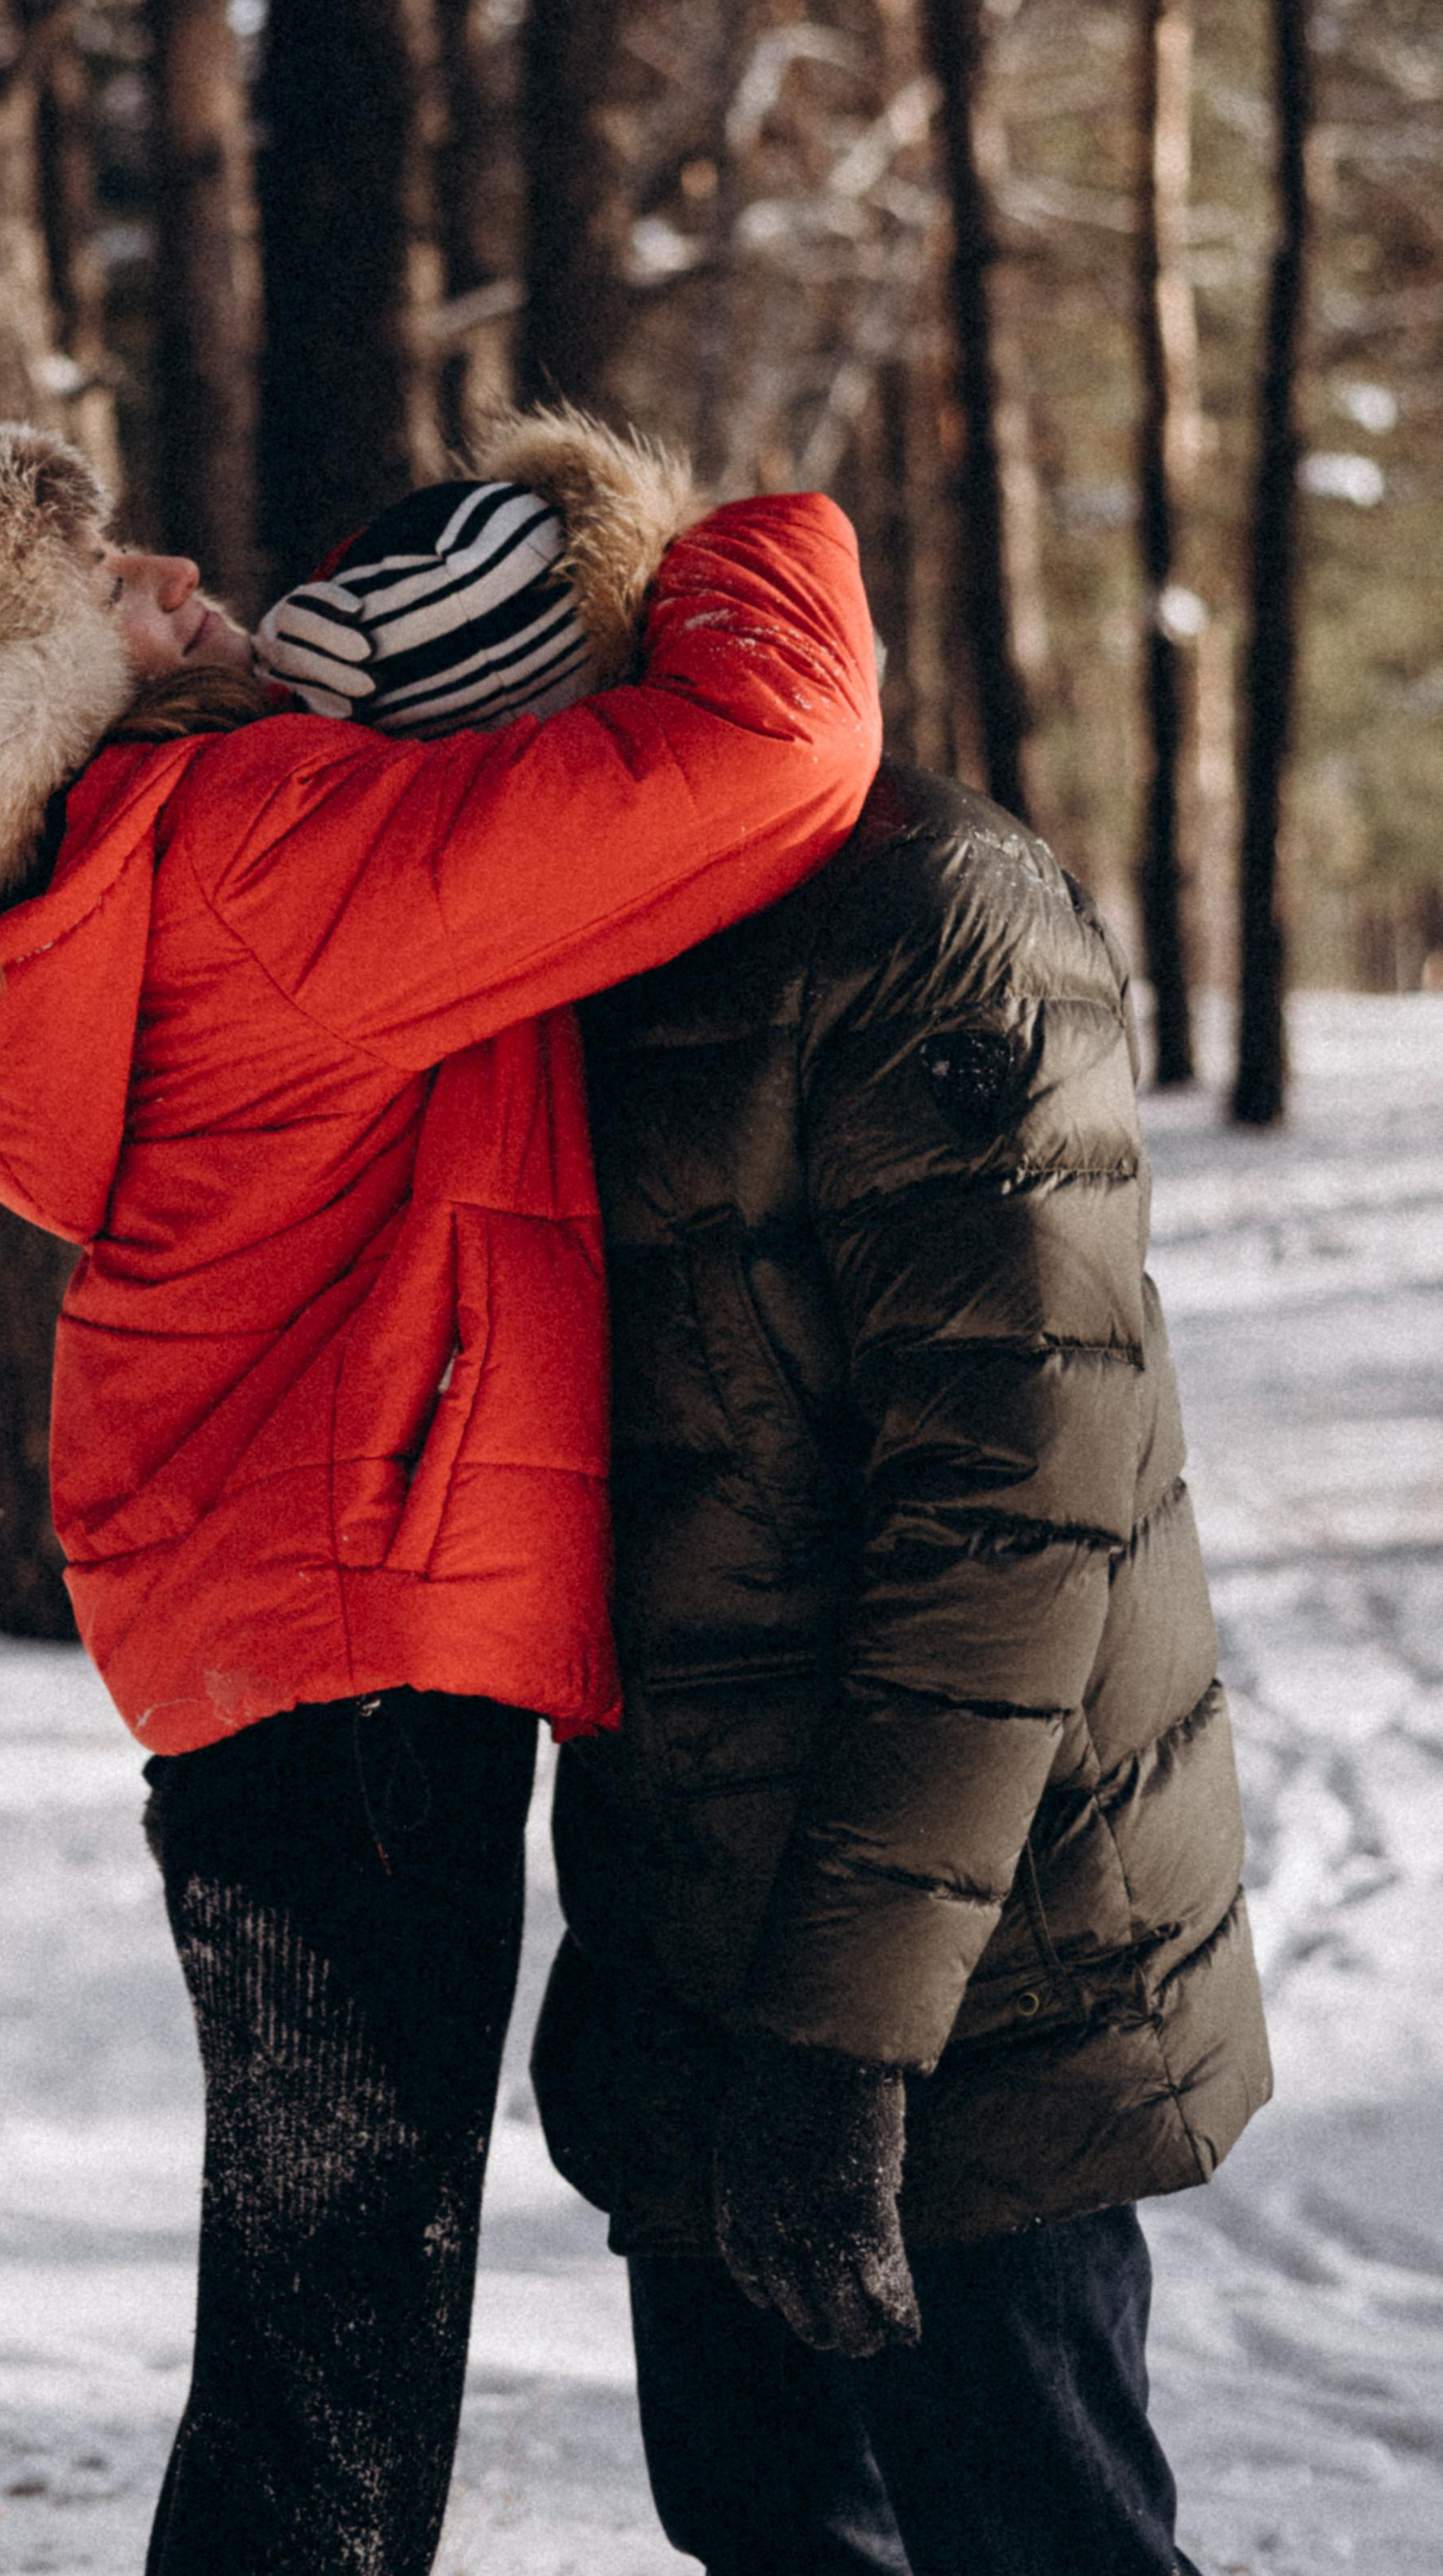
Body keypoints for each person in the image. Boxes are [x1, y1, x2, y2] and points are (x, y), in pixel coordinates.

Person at [0, 409, 883, 2576]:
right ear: (39, 689)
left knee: (320, 2307)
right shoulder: (259, 847)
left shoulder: (126, 882)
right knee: (334, 2340)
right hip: (354, 1644)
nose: (190, 578)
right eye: (125, 589)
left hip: (276, 1632)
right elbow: (768, 759)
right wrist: (733, 531)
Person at [529, 758, 1274, 2576]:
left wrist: (841, 2049)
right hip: (690, 1934)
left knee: (1031, 2533)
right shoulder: (544, 934)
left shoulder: (924, 916)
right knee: (763, 2525)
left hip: (983, 1965)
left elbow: (1008, 1514)